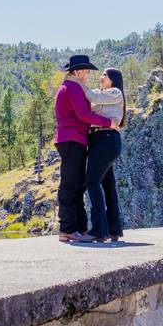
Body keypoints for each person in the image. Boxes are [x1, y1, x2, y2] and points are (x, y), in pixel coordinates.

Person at [53, 55, 118, 243]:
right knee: (70, 185)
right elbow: (83, 114)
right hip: (72, 140)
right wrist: (108, 123)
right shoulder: (72, 87)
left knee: (78, 186)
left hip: (75, 140)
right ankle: (66, 229)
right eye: (87, 71)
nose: (88, 75)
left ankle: (78, 228)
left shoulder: (72, 87)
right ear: (78, 71)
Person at [69, 68, 126, 242]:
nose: (101, 78)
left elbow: (92, 97)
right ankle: (113, 229)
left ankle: (98, 230)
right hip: (99, 140)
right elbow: (87, 111)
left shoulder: (115, 92)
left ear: (113, 79)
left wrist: (78, 82)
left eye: (104, 75)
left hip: (106, 139)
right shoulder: (104, 95)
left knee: (92, 182)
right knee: (108, 185)